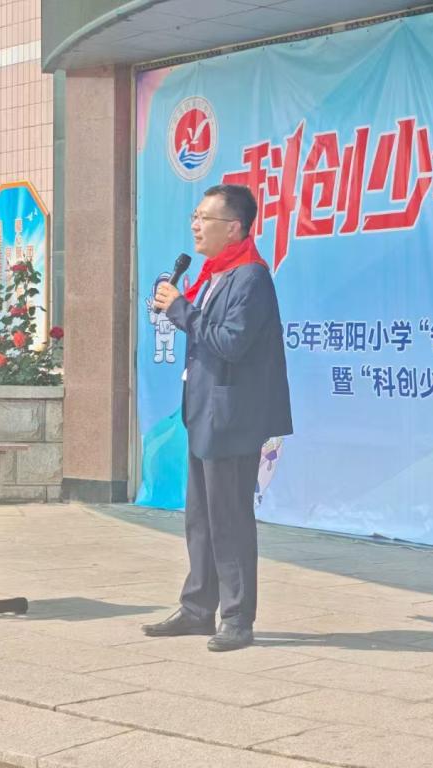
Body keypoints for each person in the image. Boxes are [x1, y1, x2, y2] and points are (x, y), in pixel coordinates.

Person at [142, 184, 292, 652]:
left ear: (234, 228)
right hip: (203, 411)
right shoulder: (213, 275)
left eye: (205, 218)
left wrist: (180, 308)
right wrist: (182, 307)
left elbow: (231, 342)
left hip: (232, 416)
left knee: (229, 519)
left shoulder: (251, 278)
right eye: (195, 215)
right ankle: (197, 608)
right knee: (201, 518)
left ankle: (237, 617)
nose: (195, 225)